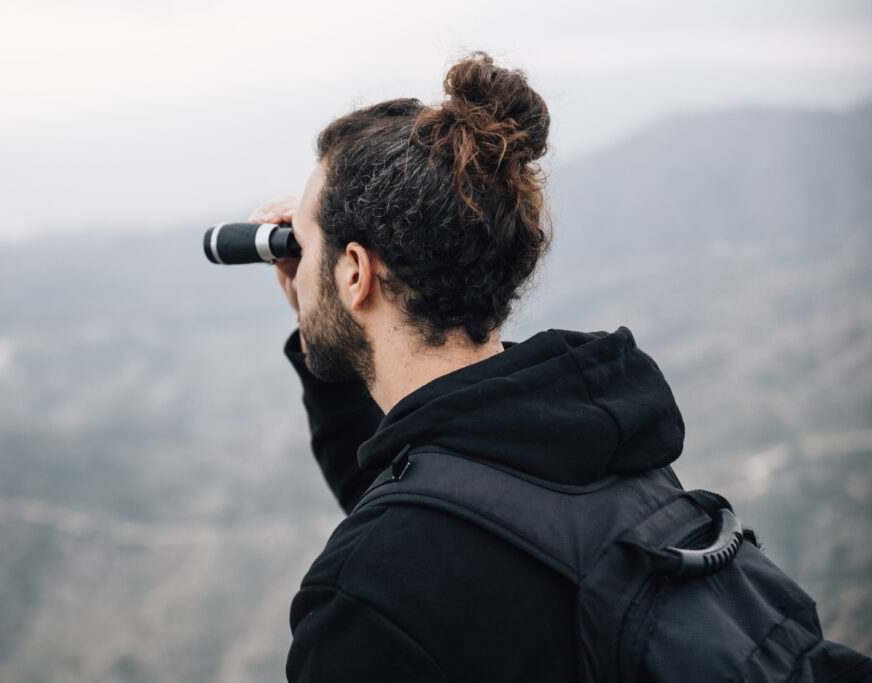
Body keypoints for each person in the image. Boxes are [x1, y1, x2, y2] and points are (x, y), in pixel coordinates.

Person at [246, 53, 866, 682]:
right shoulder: (589, 433)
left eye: (305, 239)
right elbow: (438, 501)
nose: (299, 261)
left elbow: (422, 542)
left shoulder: (363, 600)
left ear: (355, 272)